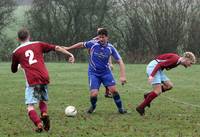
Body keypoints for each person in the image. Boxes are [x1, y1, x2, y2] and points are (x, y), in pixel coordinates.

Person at [11, 28, 75, 132]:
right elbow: (57, 47)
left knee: (30, 106)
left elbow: (13, 70)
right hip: (43, 76)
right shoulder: (38, 44)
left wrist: (19, 63)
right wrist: (70, 54)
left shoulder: (16, 52)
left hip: (32, 80)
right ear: (29, 36)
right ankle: (44, 114)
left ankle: (39, 124)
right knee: (42, 99)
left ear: (18, 39)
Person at [64, 28, 127, 114]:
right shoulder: (93, 44)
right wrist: (68, 48)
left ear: (107, 37)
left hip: (106, 73)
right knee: (94, 94)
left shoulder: (110, 48)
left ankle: (121, 109)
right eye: (100, 37)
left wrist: (123, 76)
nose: (101, 39)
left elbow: (120, 61)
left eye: (103, 37)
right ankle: (93, 106)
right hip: (93, 73)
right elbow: (81, 44)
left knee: (114, 91)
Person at [92, 28, 113, 98]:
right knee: (103, 78)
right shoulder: (95, 40)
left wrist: (110, 63)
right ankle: (101, 92)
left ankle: (107, 92)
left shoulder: (105, 41)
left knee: (107, 77)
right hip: (96, 63)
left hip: (105, 63)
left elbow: (108, 54)